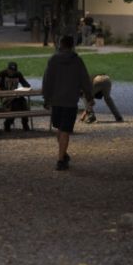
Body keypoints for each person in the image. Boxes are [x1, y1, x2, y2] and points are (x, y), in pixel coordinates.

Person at [42, 35, 94, 171]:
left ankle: (62, 156)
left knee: (60, 129)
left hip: (56, 100)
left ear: (61, 44)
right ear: (72, 46)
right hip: (70, 101)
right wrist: (89, 96)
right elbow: (85, 80)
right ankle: (61, 159)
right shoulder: (77, 61)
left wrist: (46, 98)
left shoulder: (53, 60)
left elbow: (47, 80)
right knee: (64, 130)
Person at [0, 61, 32, 132]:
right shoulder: (2, 74)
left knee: (24, 104)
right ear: (7, 69)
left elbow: (25, 83)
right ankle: (7, 123)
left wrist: (28, 87)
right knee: (15, 106)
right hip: (5, 96)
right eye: (10, 70)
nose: (12, 72)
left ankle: (25, 123)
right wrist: (8, 93)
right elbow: (0, 86)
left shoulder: (18, 74)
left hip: (15, 96)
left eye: (13, 71)